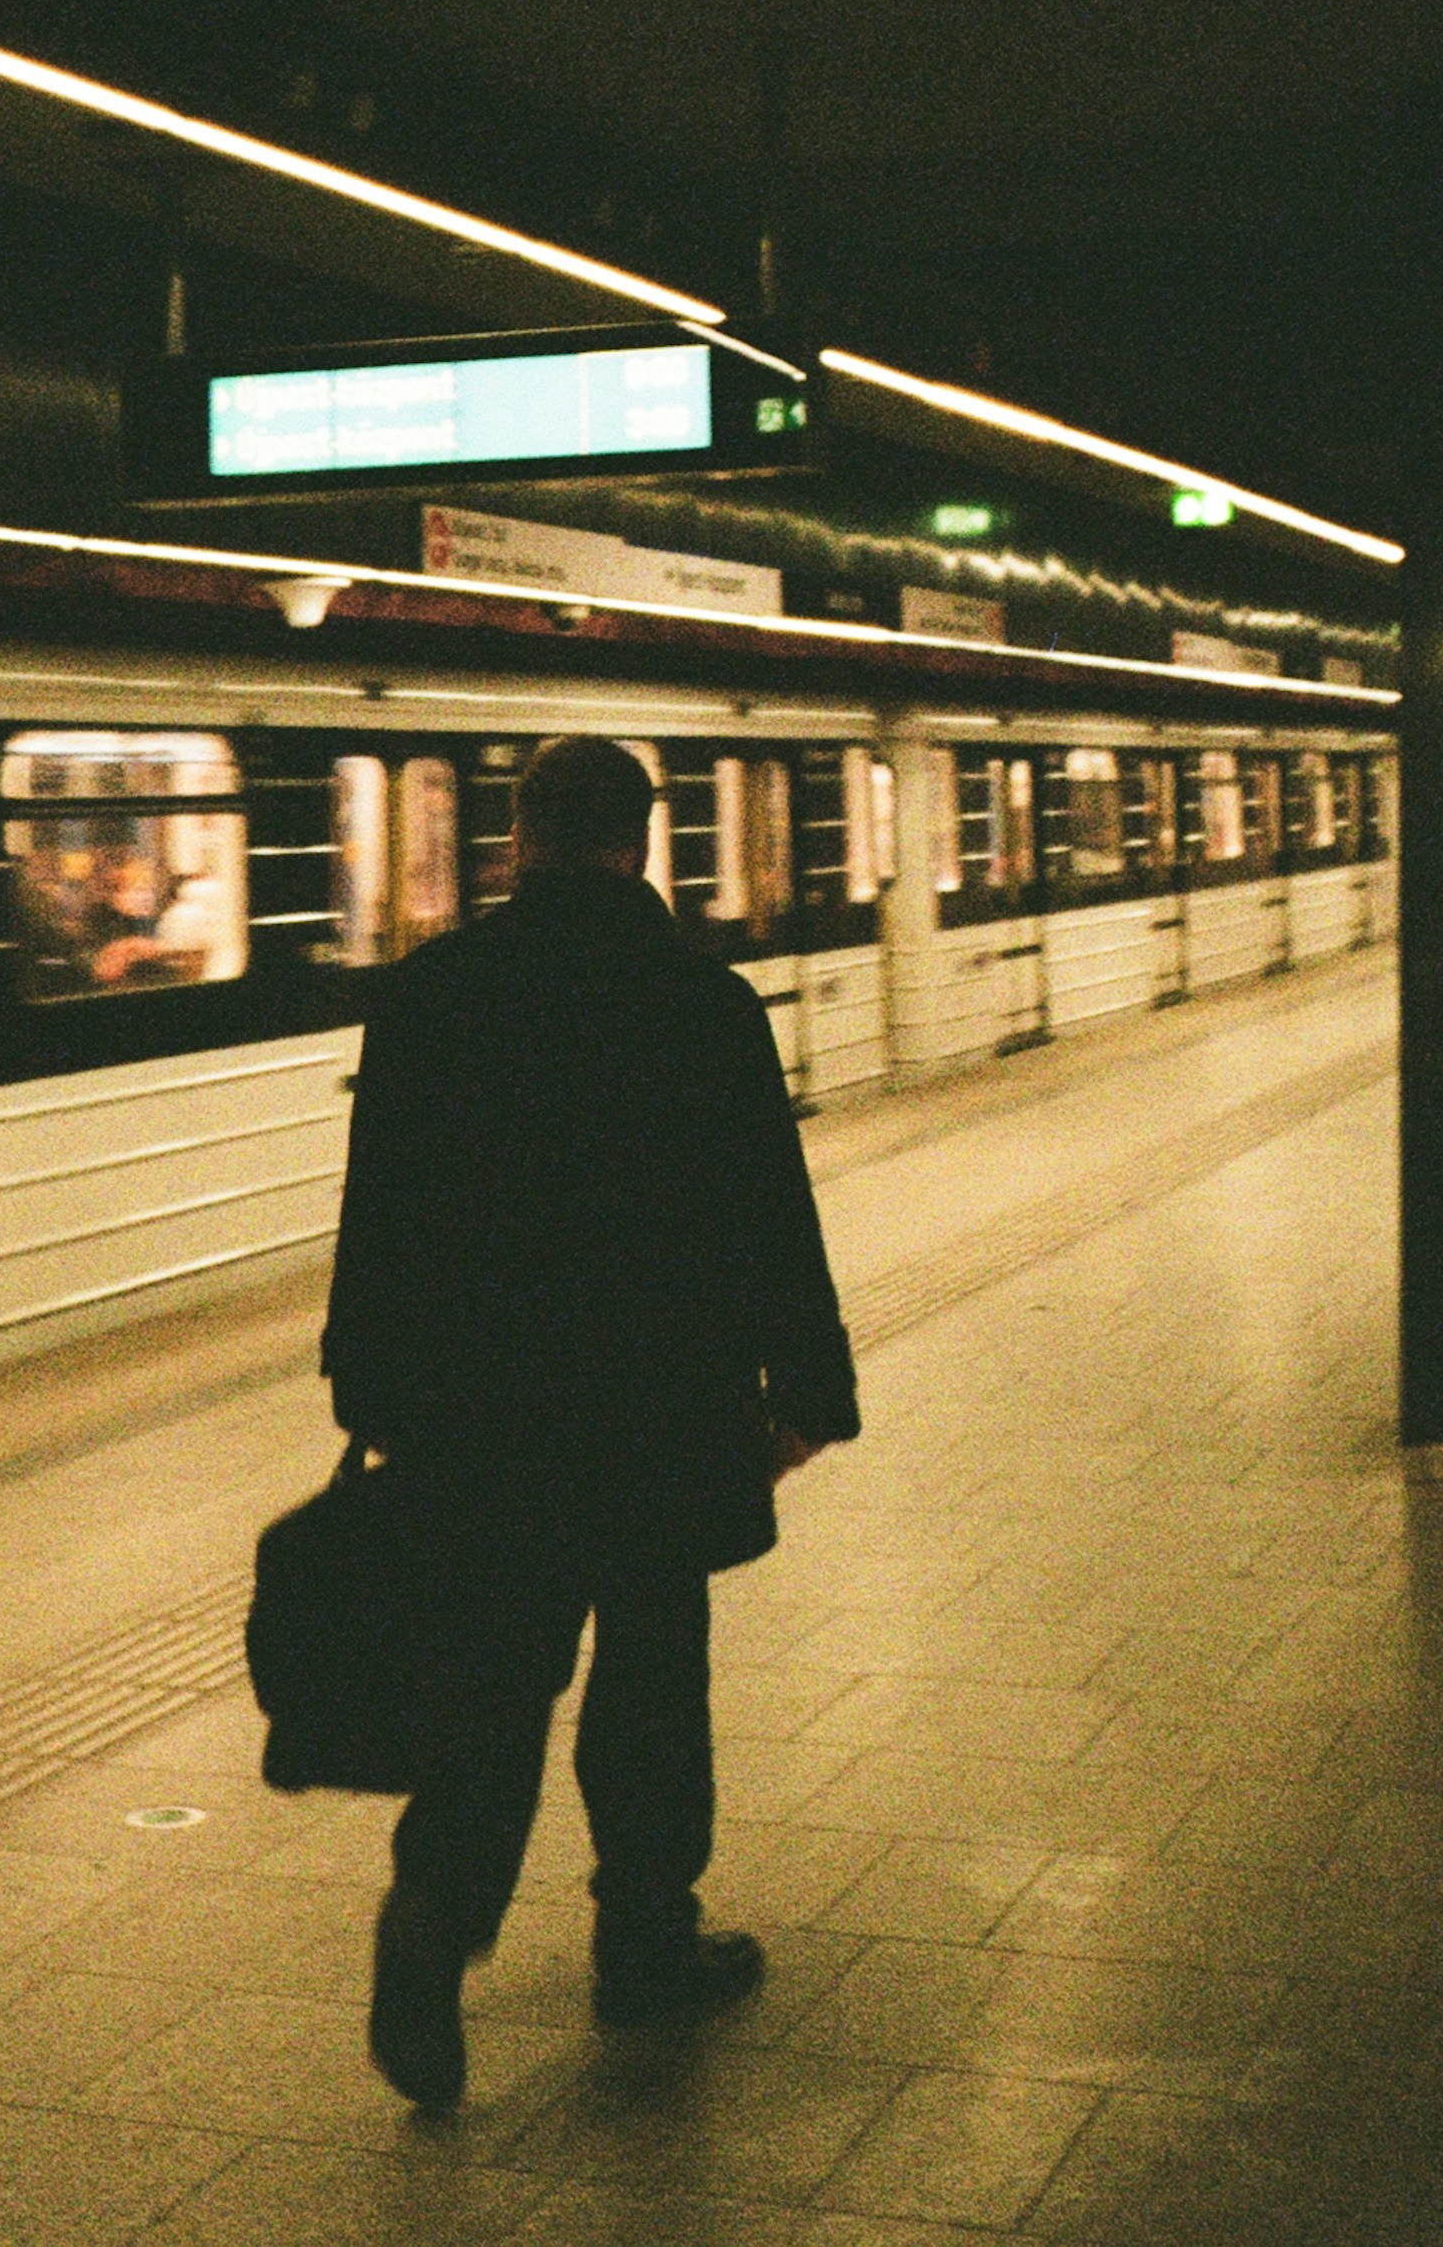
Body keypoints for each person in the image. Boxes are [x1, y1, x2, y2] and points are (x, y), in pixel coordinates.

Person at [322, 734, 860, 2112]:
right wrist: (807, 1393)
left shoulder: (433, 997)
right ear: (641, 841)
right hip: (658, 1406)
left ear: (517, 841)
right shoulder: (700, 1000)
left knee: (497, 1673)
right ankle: (643, 1941)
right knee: (651, 1676)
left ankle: (436, 1915)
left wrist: (371, 1388)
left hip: (483, 1413)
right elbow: (768, 1213)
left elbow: (378, 1214)